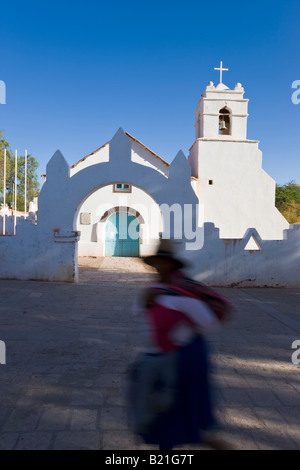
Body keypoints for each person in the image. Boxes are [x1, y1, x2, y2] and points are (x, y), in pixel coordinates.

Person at [129, 238, 234, 450]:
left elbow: (209, 324)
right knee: (163, 418)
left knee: (180, 420)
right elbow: (136, 310)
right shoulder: (155, 290)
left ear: (171, 265)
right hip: (163, 359)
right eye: (155, 262)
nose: (157, 267)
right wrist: (146, 299)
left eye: (162, 262)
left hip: (186, 361)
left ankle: (219, 446)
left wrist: (183, 332)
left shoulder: (184, 295)